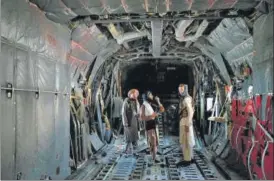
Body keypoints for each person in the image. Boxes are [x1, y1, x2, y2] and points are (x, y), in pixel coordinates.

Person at [140, 91, 164, 163]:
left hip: (154, 124)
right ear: (146, 96)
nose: (152, 96)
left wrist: (158, 101)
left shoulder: (152, 104)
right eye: (150, 95)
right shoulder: (143, 106)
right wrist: (152, 116)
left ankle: (154, 156)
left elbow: (162, 110)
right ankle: (153, 157)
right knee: (152, 142)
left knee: (155, 142)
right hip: (149, 125)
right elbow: (142, 117)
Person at [177, 84, 196, 167]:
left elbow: (191, 111)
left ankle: (187, 160)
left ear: (185, 89)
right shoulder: (187, 98)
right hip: (185, 122)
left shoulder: (186, 99)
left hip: (185, 123)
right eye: (179, 89)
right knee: (188, 139)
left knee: (185, 141)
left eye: (182, 89)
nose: (180, 91)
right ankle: (190, 157)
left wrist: (188, 122)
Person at [121, 89, 140, 154]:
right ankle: (127, 151)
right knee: (128, 138)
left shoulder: (136, 102)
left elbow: (137, 111)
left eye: (136, 94)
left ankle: (135, 150)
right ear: (130, 94)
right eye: (134, 94)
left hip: (134, 122)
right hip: (128, 122)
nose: (135, 95)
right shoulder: (126, 101)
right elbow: (123, 112)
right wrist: (125, 122)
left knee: (135, 137)